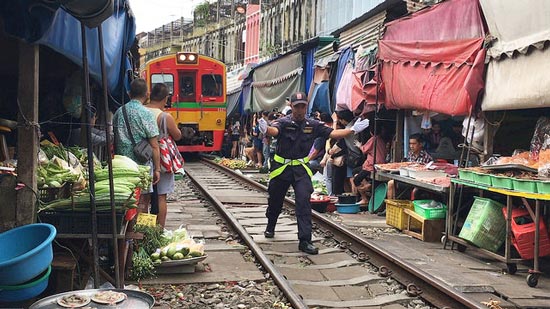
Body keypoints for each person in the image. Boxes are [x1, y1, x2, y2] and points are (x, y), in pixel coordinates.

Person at [258, 91, 370, 254]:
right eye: (297, 107)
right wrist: (265, 129)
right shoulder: (283, 122)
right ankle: (271, 225)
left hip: (301, 170)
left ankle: (305, 240)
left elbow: (332, 133)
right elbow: (274, 131)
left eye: (303, 106)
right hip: (281, 169)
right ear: (292, 107)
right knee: (275, 200)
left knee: (303, 202)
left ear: (306, 106)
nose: (300, 110)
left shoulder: (313, 125)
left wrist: (352, 130)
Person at [113, 78, 160, 214]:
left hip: (121, 165)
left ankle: (127, 230)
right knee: (142, 201)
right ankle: (138, 230)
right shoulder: (147, 114)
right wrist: (157, 169)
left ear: (129, 93)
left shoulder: (119, 112)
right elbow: (154, 146)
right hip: (142, 167)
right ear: (147, 94)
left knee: (125, 199)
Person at [146, 83, 182, 228]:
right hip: (161, 158)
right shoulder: (165, 116)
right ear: (165, 98)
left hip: (143, 156)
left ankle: (144, 230)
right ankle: (159, 230)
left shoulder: (143, 111)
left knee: (144, 198)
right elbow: (178, 135)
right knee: (161, 196)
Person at [387, 133, 433, 200]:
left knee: (415, 191)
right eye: (410, 144)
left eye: (414, 144)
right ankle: (390, 206)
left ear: (420, 144)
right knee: (390, 183)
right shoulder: (410, 154)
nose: (411, 146)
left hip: (419, 182)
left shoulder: (426, 157)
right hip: (408, 179)